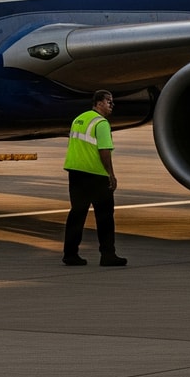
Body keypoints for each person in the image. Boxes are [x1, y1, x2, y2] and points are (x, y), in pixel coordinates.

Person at [63, 90, 126, 267]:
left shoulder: (79, 119)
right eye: (109, 102)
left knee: (77, 213)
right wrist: (111, 174)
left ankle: (70, 254)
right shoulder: (101, 123)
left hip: (75, 172)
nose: (111, 105)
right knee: (105, 217)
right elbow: (104, 151)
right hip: (95, 174)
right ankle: (108, 255)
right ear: (98, 103)